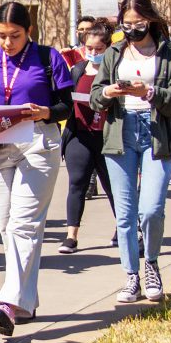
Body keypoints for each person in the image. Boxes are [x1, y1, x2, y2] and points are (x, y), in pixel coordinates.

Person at [0, 2, 74, 337]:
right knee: (7, 227)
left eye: (15, 35)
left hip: (38, 144)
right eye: (1, 35)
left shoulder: (47, 57)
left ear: (29, 31)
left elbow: (65, 105)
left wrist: (44, 112)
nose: (7, 42)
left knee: (24, 224)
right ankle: (26, 302)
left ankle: (7, 302)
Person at [90, 0, 171, 302]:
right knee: (125, 214)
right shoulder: (114, 54)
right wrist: (108, 91)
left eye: (138, 23)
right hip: (120, 133)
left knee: (151, 209)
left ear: (151, 20)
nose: (132, 29)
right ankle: (131, 274)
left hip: (157, 133)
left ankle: (152, 265)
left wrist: (149, 92)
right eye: (127, 24)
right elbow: (95, 97)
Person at [59, 19, 116, 254]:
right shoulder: (78, 70)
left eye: (99, 49)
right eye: (89, 48)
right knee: (77, 184)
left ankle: (125, 229)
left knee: (114, 186)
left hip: (108, 137)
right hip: (80, 135)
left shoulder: (115, 71)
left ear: (109, 48)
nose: (93, 53)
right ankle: (71, 236)